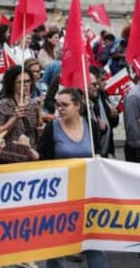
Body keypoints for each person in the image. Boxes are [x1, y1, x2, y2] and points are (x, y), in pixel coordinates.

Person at [38, 88, 108, 268]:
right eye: (58, 105)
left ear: (77, 105)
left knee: (94, 240)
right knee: (57, 242)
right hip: (60, 194)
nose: (60, 109)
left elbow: (98, 152)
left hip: (88, 192)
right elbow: (44, 160)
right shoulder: (51, 128)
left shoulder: (91, 125)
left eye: (65, 105)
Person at [0, 66, 41, 164]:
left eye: (28, 81)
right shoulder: (4, 104)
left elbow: (35, 132)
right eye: (20, 82)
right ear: (12, 84)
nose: (26, 85)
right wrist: (14, 118)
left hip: (30, 158)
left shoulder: (33, 104)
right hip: (9, 159)